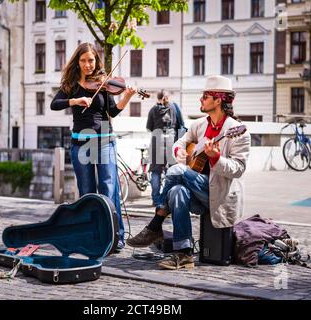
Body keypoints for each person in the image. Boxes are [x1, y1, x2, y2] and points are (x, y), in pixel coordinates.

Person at [126, 75, 251, 269]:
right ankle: (184, 254)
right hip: (197, 192)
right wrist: (180, 151)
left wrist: (216, 158)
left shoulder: (236, 131)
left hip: (219, 194)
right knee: (176, 191)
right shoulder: (199, 125)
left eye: (205, 96)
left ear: (218, 100)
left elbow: (238, 169)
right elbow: (180, 143)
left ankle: (156, 223)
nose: (201, 99)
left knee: (177, 170)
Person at [50, 43, 137, 252]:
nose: (88, 65)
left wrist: (127, 96)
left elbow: (112, 112)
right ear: (77, 62)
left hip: (105, 139)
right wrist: (75, 100)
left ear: (96, 61)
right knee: (87, 192)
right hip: (81, 142)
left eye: (91, 60)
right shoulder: (70, 84)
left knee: (109, 189)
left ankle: (116, 236)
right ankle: (92, 235)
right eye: (83, 61)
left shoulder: (104, 82)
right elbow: (54, 104)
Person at [146, 91, 179, 206]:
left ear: (158, 97)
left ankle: (155, 200)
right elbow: (180, 124)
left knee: (155, 171)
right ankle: (166, 199)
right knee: (170, 171)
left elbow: (149, 127)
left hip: (157, 141)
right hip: (170, 141)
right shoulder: (174, 108)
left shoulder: (153, 109)